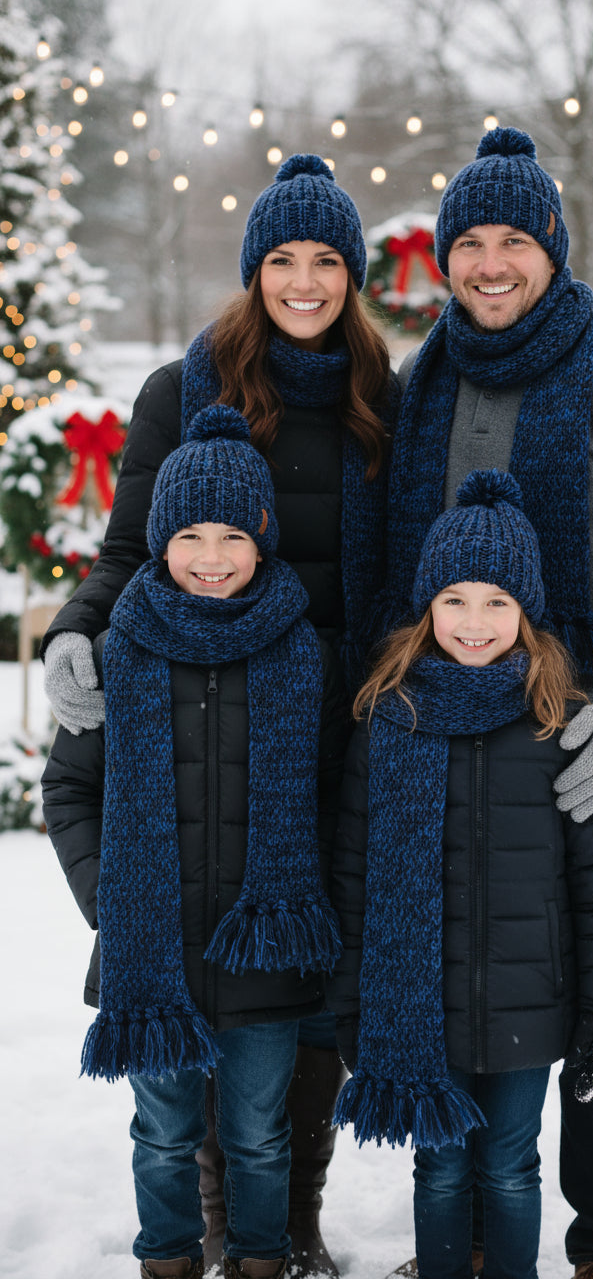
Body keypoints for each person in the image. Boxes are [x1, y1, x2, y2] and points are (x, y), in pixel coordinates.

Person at [41, 153, 397, 1277]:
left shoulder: (383, 391)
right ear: (253, 271)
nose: (303, 281)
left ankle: (287, 1220)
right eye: (281, 260)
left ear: (353, 272)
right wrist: (74, 629)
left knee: (306, 999)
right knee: (213, 1002)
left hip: (339, 712)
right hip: (206, 692)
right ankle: (215, 1223)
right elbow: (125, 549)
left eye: (326, 260)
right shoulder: (182, 389)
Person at [380, 126, 593, 1278]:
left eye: (511, 239)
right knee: (469, 983)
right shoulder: (422, 381)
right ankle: (479, 1220)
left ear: (551, 249)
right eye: (466, 241)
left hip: (578, 753)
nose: (486, 262)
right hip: (444, 750)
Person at [42, 405, 347, 1279]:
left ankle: (260, 1261)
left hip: (266, 956)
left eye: (231, 537)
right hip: (153, 948)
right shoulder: (118, 650)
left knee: (258, 1135)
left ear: (263, 540)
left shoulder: (303, 654)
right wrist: (112, 896)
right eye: (188, 536)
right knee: (163, 1134)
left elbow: (335, 793)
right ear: (160, 542)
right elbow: (69, 786)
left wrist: (308, 894)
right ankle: (167, 1260)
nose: (210, 559)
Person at [328, 469, 593, 1279]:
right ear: (427, 607)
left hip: (528, 1007)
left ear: (527, 612)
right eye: (455, 600)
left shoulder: (563, 726)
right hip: (416, 1004)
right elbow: (354, 880)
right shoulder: (388, 717)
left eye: (497, 601)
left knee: (509, 1166)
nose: (474, 622)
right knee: (437, 1170)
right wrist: (352, 1000)